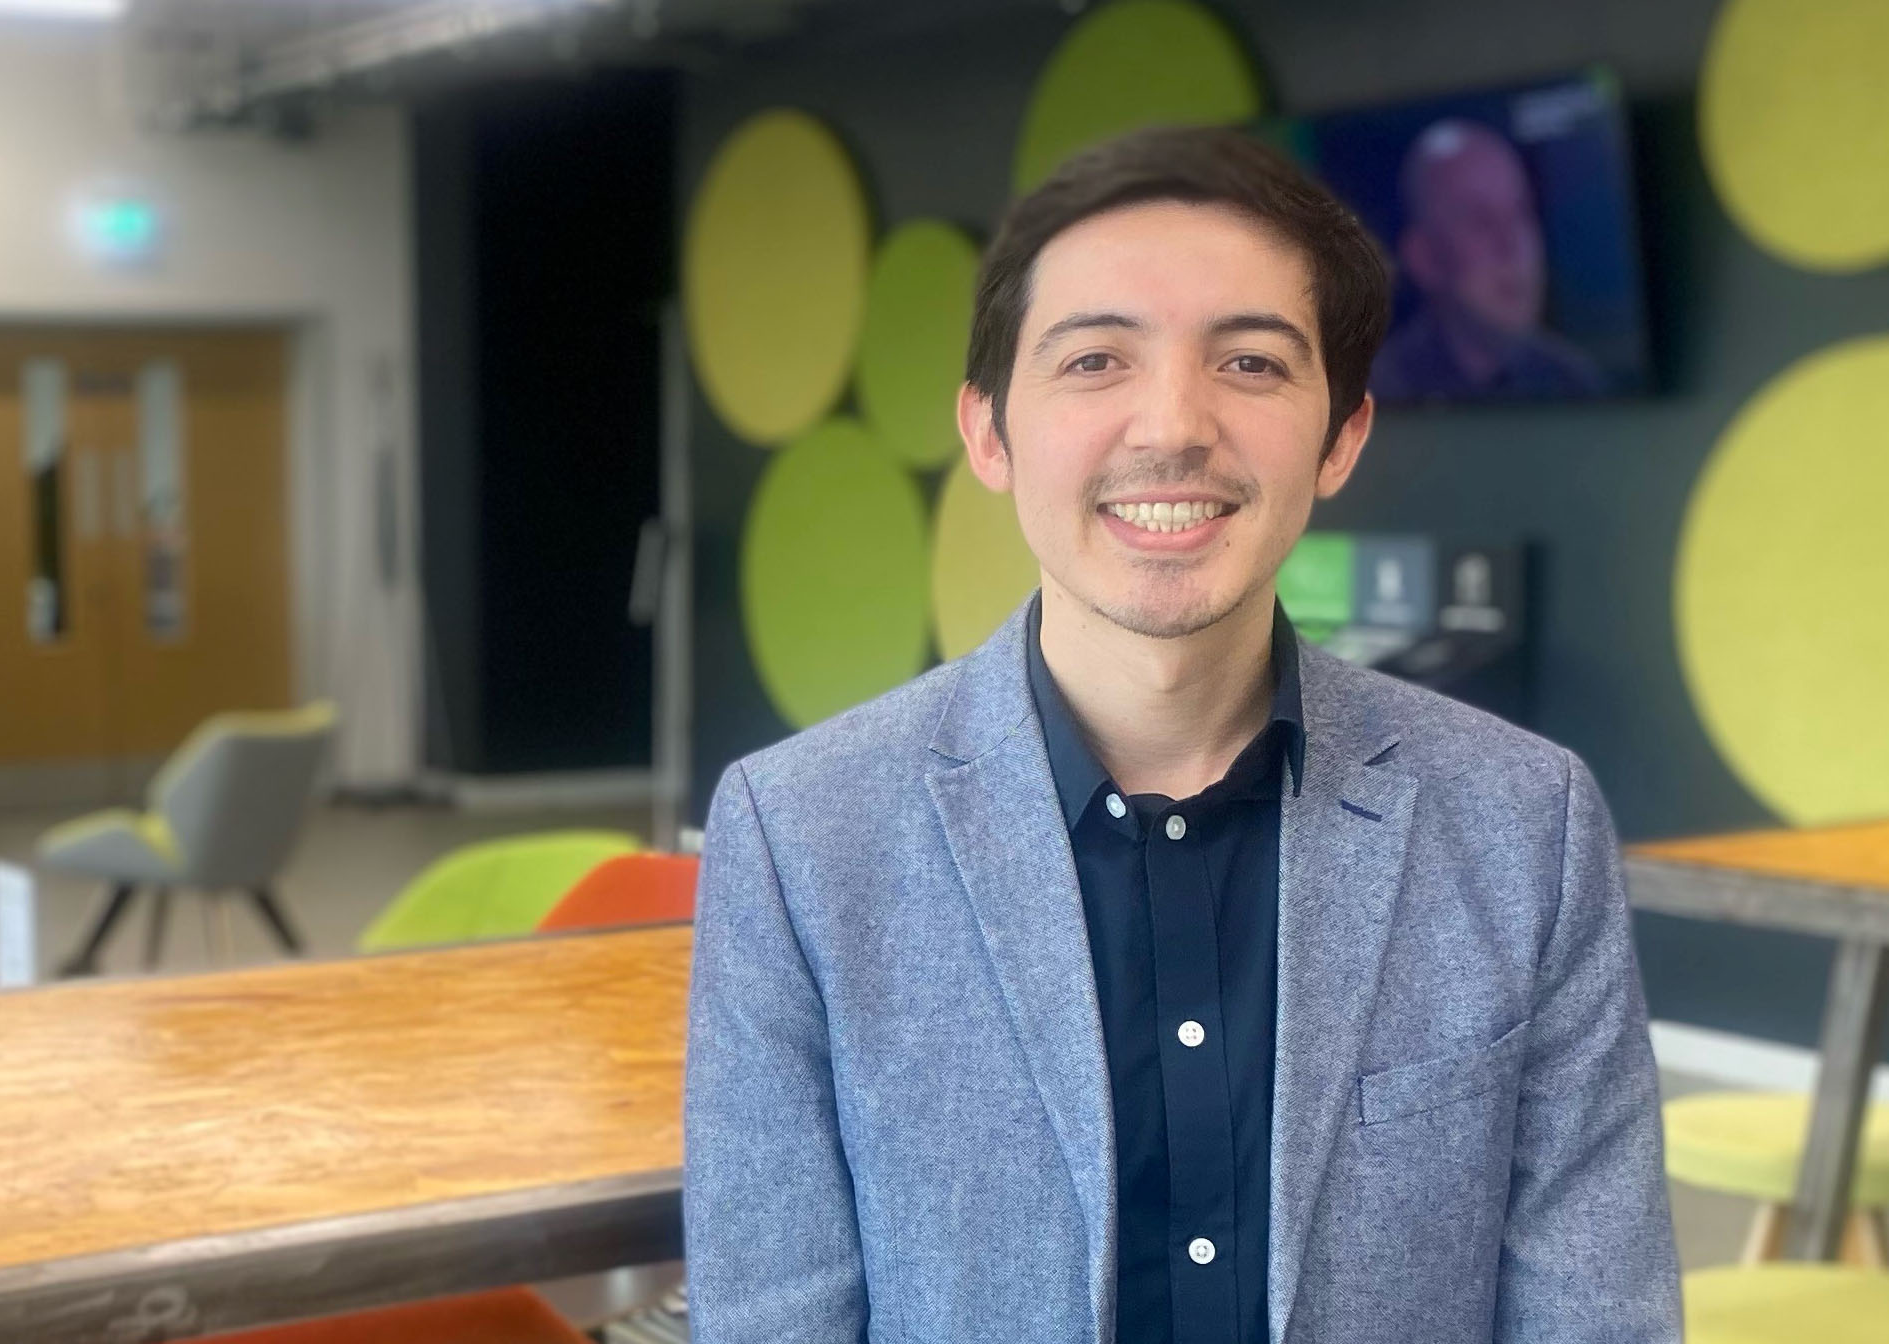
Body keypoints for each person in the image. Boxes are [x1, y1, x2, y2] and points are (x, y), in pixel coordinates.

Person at [684, 126, 1679, 1343]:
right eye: (1094, 359)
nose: (1171, 426)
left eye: (1249, 364)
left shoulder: (1526, 825)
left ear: (1341, 437)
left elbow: (1596, 1316)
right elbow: (774, 1313)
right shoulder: (798, 836)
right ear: (988, 434)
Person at [1370, 118, 1611, 401]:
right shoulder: (1375, 395)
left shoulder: (1574, 382)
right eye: (1480, 220)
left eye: (1521, 211)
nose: (1511, 246)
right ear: (1425, 258)